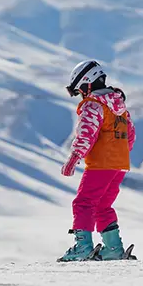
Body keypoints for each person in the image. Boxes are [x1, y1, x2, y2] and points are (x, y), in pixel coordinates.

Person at [59, 60, 136, 261]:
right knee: (103, 205)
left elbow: (87, 133)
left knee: (83, 203)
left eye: (80, 91)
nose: (81, 96)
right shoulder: (120, 107)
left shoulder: (93, 104)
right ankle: (113, 248)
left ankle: (83, 247)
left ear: (87, 83)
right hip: (120, 165)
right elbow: (130, 136)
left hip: (101, 164)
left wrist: (74, 157)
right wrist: (117, 155)